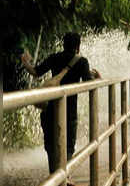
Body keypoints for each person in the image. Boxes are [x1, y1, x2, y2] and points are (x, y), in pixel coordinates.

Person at [20, 32, 101, 175]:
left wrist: (25, 62)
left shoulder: (54, 58)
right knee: (68, 147)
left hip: (49, 110)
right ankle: (65, 176)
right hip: (69, 113)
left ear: (63, 44)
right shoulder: (82, 61)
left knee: (51, 147)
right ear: (78, 46)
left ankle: (55, 176)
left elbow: (35, 72)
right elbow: (89, 85)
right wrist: (98, 79)